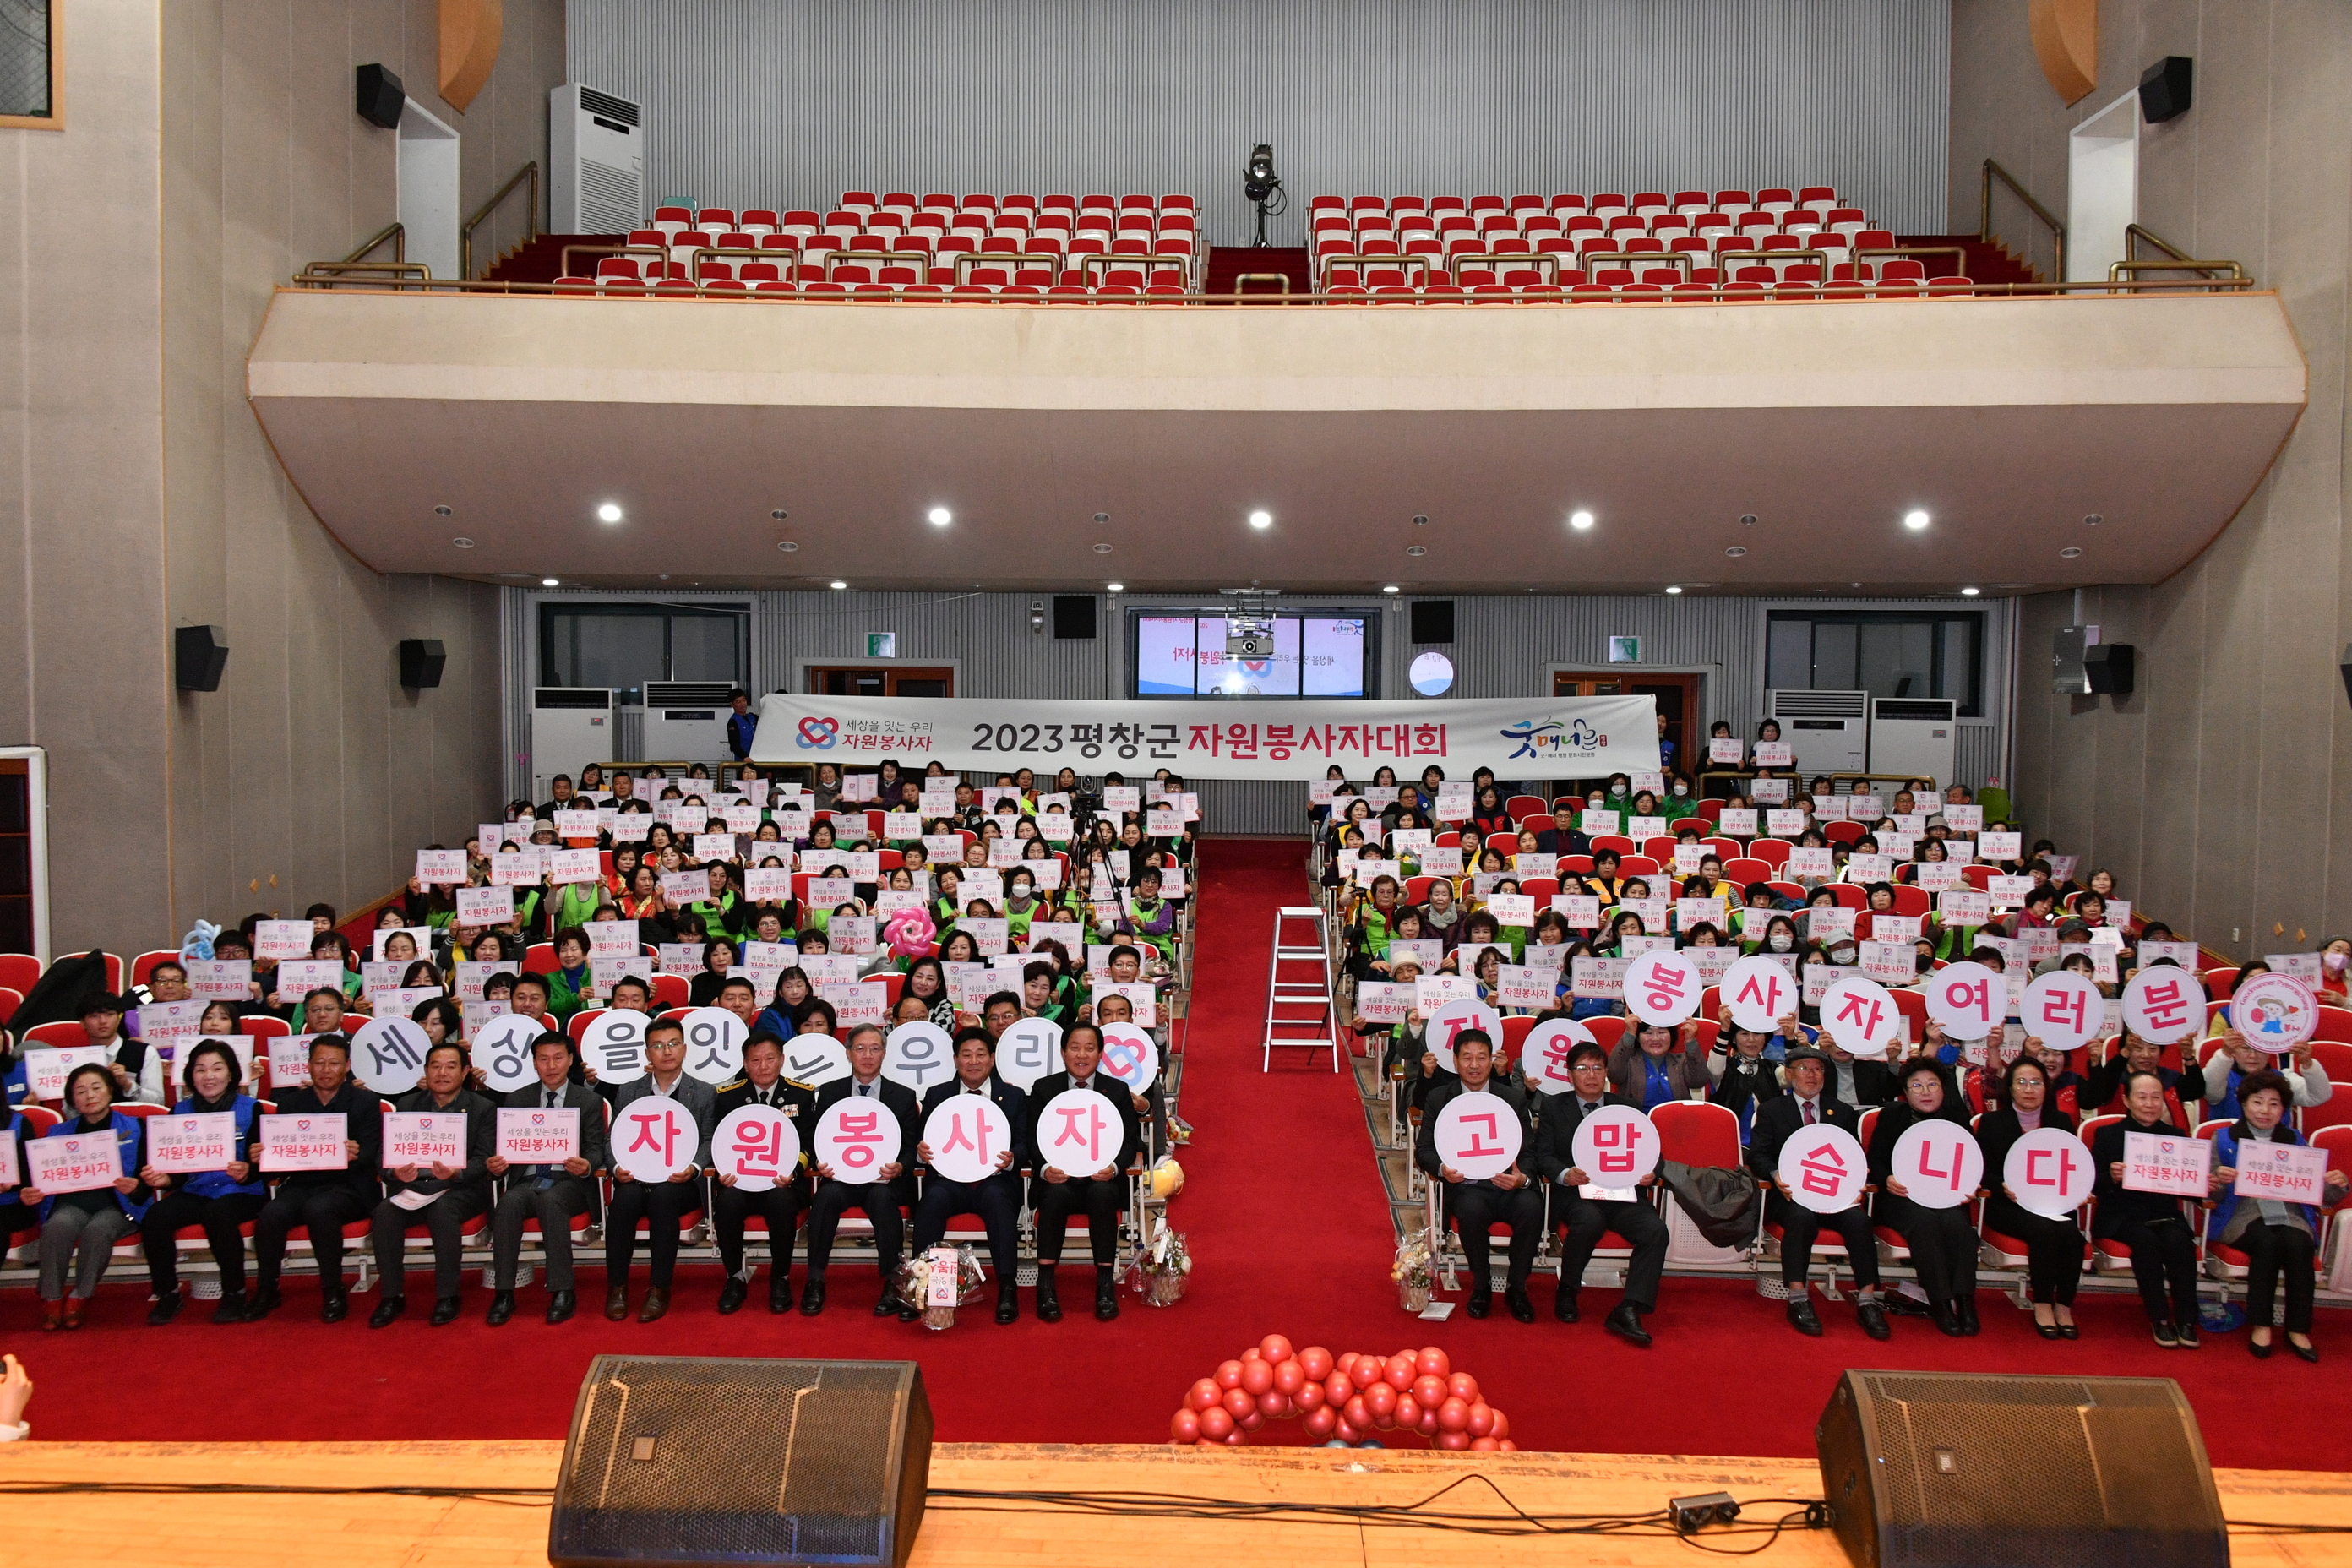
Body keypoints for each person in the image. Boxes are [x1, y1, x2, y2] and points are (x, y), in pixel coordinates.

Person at [1746, 1046, 1890, 1340]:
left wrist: (1857, 1181)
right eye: (1804, 1068)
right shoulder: (1772, 1110)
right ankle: (1798, 1297)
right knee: (1800, 1219)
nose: (1811, 1075)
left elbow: (1852, 1157)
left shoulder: (1843, 1111)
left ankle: (1867, 1299)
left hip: (1835, 1197)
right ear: (1789, 1075)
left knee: (1860, 1221)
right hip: (1791, 1196)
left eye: (1817, 1069)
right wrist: (1775, 1174)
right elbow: (1757, 1155)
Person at [1529, 1039, 1666, 1344]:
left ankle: (1630, 1307)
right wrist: (1565, 1174)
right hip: (1577, 1194)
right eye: (1582, 1068)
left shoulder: (1627, 1107)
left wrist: (1651, 1173)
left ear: (1606, 1073)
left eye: (1597, 1068)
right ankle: (1568, 1289)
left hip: (1623, 1193)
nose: (1591, 1075)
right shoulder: (1554, 1107)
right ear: (1569, 1075)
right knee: (1589, 1221)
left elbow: (1655, 1155)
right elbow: (1543, 1156)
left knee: (1655, 1231)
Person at [2209, 1069, 2349, 1362]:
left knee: (2298, 1243)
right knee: (2266, 1242)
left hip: (2289, 1213)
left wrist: (2338, 1185)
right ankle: (2261, 1324)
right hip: (2242, 1216)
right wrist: (2218, 1180)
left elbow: (2319, 1193)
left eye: (2274, 1104)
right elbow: (2209, 1194)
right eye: (2258, 1102)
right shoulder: (2222, 1139)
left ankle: (2297, 1329)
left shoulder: (2294, 1139)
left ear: (2283, 1109)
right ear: (2244, 1104)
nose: (2265, 1110)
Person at [246, 1033, 380, 1324]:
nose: (326, 1070)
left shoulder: (366, 1102)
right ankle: (268, 1289)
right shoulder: (290, 1104)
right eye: (319, 1063)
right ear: (308, 1065)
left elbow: (374, 1155)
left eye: (334, 1063)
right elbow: (278, 1166)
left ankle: (333, 1290)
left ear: (347, 1066)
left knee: (320, 1209)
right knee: (271, 1215)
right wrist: (261, 1157)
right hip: (302, 1183)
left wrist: (358, 1152)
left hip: (349, 1186)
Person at [1414, 1028, 1540, 1322]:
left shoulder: (1512, 1098)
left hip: (1509, 1184)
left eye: (1481, 1058)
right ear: (1455, 1061)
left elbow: (1529, 1152)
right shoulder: (1439, 1098)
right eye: (1467, 1058)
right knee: (1471, 1211)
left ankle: (1517, 1288)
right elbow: (1425, 1150)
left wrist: (1522, 1179)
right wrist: (1442, 1169)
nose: (1474, 1065)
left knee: (1532, 1207)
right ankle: (1481, 1286)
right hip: (1467, 1186)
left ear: (1491, 1060)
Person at [368, 1042, 496, 1329]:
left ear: (465, 1072)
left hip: (460, 1189)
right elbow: (383, 1156)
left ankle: (448, 1295)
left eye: (450, 1067)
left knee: (443, 1210)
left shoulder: (482, 1107)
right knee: (384, 1212)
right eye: (435, 1066)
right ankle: (392, 1296)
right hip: (413, 1188)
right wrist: (394, 1172)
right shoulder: (407, 1105)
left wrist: (456, 1173)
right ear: (425, 1071)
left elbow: (483, 1159)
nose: (442, 1073)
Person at [137, 1040, 266, 1325]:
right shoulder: (179, 1112)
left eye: (217, 1068)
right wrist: (166, 1178)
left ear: (231, 1074)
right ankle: (168, 1294)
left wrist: (248, 1171)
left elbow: (263, 1163)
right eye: (201, 1069)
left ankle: (234, 1293)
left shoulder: (251, 1108)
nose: (209, 1076)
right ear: (191, 1076)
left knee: (218, 1213)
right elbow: (176, 1168)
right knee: (156, 1216)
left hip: (241, 1190)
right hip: (196, 1189)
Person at [485, 1032, 609, 1327]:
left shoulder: (589, 1100)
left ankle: (563, 1290)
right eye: (543, 1059)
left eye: (558, 1058)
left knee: (552, 1201)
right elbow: (502, 1148)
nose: (551, 1066)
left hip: (569, 1182)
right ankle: (504, 1292)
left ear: (570, 1060)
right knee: (509, 1203)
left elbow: (595, 1148)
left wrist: (587, 1164)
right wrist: (497, 1164)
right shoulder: (517, 1099)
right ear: (534, 1063)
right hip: (526, 1180)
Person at [1021, 1021, 1142, 1323]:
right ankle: (1046, 1285)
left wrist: (1113, 1167)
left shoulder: (1117, 1090)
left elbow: (1130, 1142)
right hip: (1058, 1179)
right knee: (1054, 1195)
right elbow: (1031, 1138)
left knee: (1102, 1194)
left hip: (1100, 1179)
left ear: (1100, 1054)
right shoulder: (1044, 1088)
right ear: (1063, 1052)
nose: (1081, 1055)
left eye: (1090, 1048)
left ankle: (1105, 1284)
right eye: (1074, 1048)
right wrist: (1044, 1169)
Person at [912, 1026, 1028, 1325]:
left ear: (992, 1058)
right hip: (949, 1181)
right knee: (931, 1200)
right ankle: (921, 1288)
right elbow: (922, 1141)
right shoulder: (937, 1095)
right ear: (955, 1060)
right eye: (966, 1055)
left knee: (998, 1200)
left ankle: (1007, 1287)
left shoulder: (1013, 1096)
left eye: (980, 1054)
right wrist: (921, 1152)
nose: (973, 1061)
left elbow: (1024, 1144)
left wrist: (1012, 1158)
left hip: (994, 1180)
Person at [804, 1023, 922, 1320]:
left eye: (874, 1048)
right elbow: (816, 1139)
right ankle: (815, 1280)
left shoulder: (903, 1095)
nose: (867, 1055)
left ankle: (892, 1281)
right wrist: (820, 1162)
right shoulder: (830, 1092)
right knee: (825, 1198)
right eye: (860, 1048)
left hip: (883, 1180)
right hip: (841, 1179)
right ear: (848, 1053)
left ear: (884, 1053)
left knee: (882, 1199)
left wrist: (901, 1166)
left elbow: (911, 1147)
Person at [605, 1017, 717, 1323]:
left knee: (664, 1197)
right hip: (636, 1179)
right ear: (647, 1053)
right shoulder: (629, 1091)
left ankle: (659, 1288)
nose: (666, 1051)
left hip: (680, 1184)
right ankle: (617, 1287)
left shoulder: (704, 1092)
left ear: (684, 1049)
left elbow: (709, 1139)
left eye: (673, 1044)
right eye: (657, 1045)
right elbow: (612, 1138)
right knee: (624, 1199)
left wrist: (694, 1168)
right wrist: (616, 1167)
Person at [1865, 1059, 1981, 1337]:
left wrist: (1971, 1183)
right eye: (1916, 1085)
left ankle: (1965, 1300)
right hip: (1901, 1198)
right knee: (1925, 1223)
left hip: (1944, 1197)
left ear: (1943, 1088)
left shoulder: (1957, 1119)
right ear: (1906, 1092)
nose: (1925, 1091)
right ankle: (1941, 1302)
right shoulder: (1892, 1115)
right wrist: (1886, 1178)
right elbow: (1875, 1160)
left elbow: (1971, 1161)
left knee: (1959, 1226)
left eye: (1932, 1084)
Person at [26, 1064, 149, 1330]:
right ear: (72, 1099)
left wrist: (135, 1187)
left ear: (110, 1090)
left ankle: (80, 1295)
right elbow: (41, 1179)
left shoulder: (135, 1127)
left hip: (118, 1206)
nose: (89, 1095)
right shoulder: (57, 1134)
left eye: (96, 1088)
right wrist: (33, 1192)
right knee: (56, 1227)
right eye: (80, 1091)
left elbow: (146, 1182)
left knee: (98, 1231)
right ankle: (52, 1297)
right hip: (72, 1204)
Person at [2089, 1069, 2205, 1348]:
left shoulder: (2175, 1136)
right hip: (2122, 1216)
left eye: (2156, 1097)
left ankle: (2186, 1320)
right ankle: (2159, 1318)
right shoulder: (2108, 1135)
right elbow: (2092, 1183)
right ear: (2127, 1100)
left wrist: (2204, 1183)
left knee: (2180, 1243)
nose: (2150, 1104)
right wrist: (2111, 1176)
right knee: (2146, 1242)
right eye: (2142, 1097)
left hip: (2165, 1215)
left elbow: (2190, 1188)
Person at [1975, 1057, 2082, 1339]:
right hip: (2008, 1205)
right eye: (2021, 1082)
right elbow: (1982, 1172)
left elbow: (2075, 1165)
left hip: (2052, 1203)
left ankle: (2064, 1305)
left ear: (2046, 1088)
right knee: (2043, 1230)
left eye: (2036, 1082)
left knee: (2071, 1234)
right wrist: (2002, 1186)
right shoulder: (1992, 1122)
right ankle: (2043, 1302)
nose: (2029, 1089)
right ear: (2010, 1088)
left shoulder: (2060, 1122)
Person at [710, 1031, 815, 1315]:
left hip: (783, 1182)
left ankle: (780, 1278)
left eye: (770, 1059)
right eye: (755, 1060)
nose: (764, 1066)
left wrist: (793, 1172)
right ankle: (735, 1277)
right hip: (739, 1182)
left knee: (781, 1201)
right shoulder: (728, 1097)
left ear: (781, 1060)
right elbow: (719, 1143)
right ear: (745, 1065)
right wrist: (722, 1171)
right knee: (727, 1201)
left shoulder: (801, 1094)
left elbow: (808, 1144)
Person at [726, 688, 759, 762]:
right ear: (732, 704)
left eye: (744, 701)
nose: (742, 704)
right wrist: (744, 757)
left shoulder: (752, 717)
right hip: (743, 760)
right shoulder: (733, 722)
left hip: (757, 758)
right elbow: (734, 745)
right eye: (738, 702)